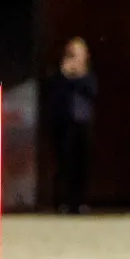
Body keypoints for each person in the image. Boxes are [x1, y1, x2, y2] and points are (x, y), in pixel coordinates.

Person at [47, 37, 98, 214]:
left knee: (82, 164)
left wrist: (80, 76)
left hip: (83, 124)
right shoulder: (58, 73)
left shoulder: (89, 74)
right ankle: (63, 201)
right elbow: (54, 95)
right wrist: (65, 75)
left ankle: (80, 201)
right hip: (64, 124)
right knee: (64, 163)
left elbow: (92, 92)